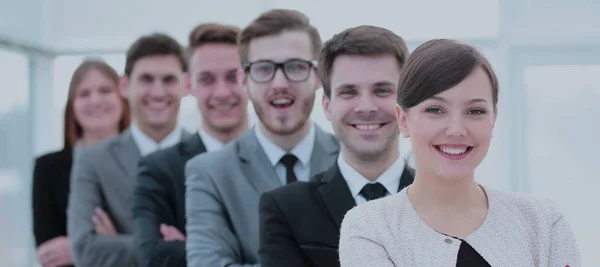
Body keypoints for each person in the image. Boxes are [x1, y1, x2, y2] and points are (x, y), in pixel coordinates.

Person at [338, 39, 581, 267]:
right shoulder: (369, 228)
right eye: (435, 109)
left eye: (475, 111)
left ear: (493, 120)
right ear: (403, 120)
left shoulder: (543, 221)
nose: (456, 130)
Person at [184, 8, 340, 267]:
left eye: (295, 66)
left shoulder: (351, 159)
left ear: (318, 76)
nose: (280, 83)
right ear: (244, 79)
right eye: (264, 68)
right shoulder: (210, 173)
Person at [257, 25, 413, 267]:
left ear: (406, 103)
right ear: (327, 106)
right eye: (348, 92)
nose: (366, 107)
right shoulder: (286, 209)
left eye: (382, 90)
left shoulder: (447, 203)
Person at [131, 23, 249, 267]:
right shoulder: (158, 170)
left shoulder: (281, 158)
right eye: (206, 79)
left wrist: (198, 247)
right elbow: (153, 257)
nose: (221, 92)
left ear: (250, 78)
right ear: (188, 85)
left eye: (232, 77)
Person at [67, 33, 190, 267]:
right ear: (125, 86)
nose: (157, 92)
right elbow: (84, 250)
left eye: (168, 80)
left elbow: (228, 246)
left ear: (186, 85)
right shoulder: (93, 160)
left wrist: (122, 243)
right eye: (146, 79)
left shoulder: (208, 155)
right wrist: (182, 247)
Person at [32, 60, 130, 267]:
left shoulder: (147, 160)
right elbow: (48, 255)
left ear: (123, 97)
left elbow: (162, 247)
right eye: (84, 94)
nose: (95, 100)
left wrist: (84, 247)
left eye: (105, 90)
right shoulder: (48, 167)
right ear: (72, 107)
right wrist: (115, 244)